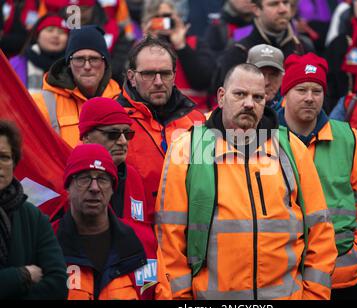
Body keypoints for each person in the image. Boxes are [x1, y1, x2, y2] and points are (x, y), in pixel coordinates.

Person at [155, 63, 338, 300]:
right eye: (240, 94)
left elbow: (320, 231)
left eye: (258, 97)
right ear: (221, 97)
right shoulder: (189, 148)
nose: (249, 103)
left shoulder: (291, 149)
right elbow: (170, 240)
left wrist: (314, 296)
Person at [278, 53, 357, 299]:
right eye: (301, 89)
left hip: (341, 277)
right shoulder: (266, 139)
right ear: (285, 94)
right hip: (283, 278)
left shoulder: (347, 137)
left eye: (316, 91)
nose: (309, 98)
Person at [53, 144, 171, 300]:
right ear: (68, 186)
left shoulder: (144, 244)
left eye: (102, 179)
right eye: (84, 178)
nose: (94, 188)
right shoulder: (46, 244)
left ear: (112, 188)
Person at [117, 36, 205, 218]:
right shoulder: (114, 121)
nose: (158, 81)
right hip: (137, 232)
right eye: (148, 74)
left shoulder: (197, 120)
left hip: (187, 231)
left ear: (174, 76)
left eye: (165, 73)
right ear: (132, 77)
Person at [0, 120, 68, 299]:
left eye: (4, 157)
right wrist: (22, 275)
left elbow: (58, 284)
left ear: (14, 162)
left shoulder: (33, 216)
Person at [31, 25, 121, 148]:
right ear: (69, 63)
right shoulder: (42, 104)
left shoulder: (121, 103)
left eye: (94, 59)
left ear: (105, 63)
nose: (87, 66)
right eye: (79, 59)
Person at [212, 0, 313, 93]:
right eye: (274, 4)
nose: (283, 9)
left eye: (286, 2)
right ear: (256, 9)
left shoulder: (303, 47)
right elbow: (227, 101)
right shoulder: (239, 50)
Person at [142, 0, 217, 112]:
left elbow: (204, 81)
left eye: (167, 16)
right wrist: (150, 44)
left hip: (195, 114)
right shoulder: (141, 49)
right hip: (157, 114)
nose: (163, 21)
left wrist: (181, 46)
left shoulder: (196, 43)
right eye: (157, 17)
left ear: (178, 16)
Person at [9, 14, 68, 93]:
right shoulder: (16, 64)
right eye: (50, 30)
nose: (55, 35)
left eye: (61, 32)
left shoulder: (73, 66)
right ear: (37, 35)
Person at [246, 43, 285, 113]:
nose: (266, 82)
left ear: (282, 78)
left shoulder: (291, 110)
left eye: (273, 75)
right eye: (259, 74)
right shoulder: (231, 106)